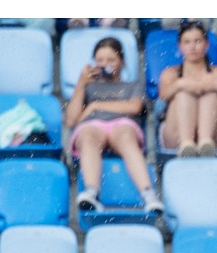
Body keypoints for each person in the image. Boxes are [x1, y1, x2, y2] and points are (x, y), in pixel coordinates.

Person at [65, 36, 163, 213]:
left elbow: (134, 107)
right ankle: (91, 192)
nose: (105, 64)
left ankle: (149, 196)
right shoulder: (87, 87)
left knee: (127, 138)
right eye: (100, 60)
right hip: (92, 126)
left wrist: (95, 105)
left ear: (122, 62)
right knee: (88, 139)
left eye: (111, 59)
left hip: (122, 124)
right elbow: (71, 120)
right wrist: (81, 83)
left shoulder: (133, 85)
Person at [158, 20, 217, 156]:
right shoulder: (170, 73)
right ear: (180, 46)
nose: (192, 47)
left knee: (211, 94)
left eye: (197, 41)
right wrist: (180, 84)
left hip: (215, 138)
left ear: (206, 45)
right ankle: (186, 144)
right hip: (176, 136)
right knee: (183, 94)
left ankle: (205, 142)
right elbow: (162, 97)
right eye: (187, 42)